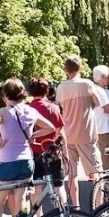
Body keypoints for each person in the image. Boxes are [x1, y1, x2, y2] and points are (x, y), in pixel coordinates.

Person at [0, 78, 55, 217]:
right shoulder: (31, 110)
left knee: (0, 199)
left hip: (8, 161)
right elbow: (50, 127)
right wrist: (32, 136)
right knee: (22, 198)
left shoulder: (4, 112)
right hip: (26, 160)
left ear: (6, 95)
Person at [56, 56, 102, 208]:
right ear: (80, 68)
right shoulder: (87, 84)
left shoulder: (61, 87)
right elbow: (97, 103)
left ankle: (75, 205)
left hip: (68, 135)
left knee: (71, 174)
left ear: (66, 70)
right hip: (86, 133)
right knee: (95, 171)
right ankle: (99, 204)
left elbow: (59, 108)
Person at [27, 77, 65, 208]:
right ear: (47, 90)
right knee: (58, 185)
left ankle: (38, 216)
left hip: (33, 151)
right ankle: (61, 213)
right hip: (52, 150)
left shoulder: (27, 109)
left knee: (36, 186)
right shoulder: (53, 108)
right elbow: (59, 129)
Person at [92, 65, 109, 170]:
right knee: (105, 160)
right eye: (108, 76)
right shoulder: (99, 91)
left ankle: (105, 182)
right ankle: (104, 183)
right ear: (103, 76)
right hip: (103, 130)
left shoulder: (106, 91)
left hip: (107, 129)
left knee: (108, 158)